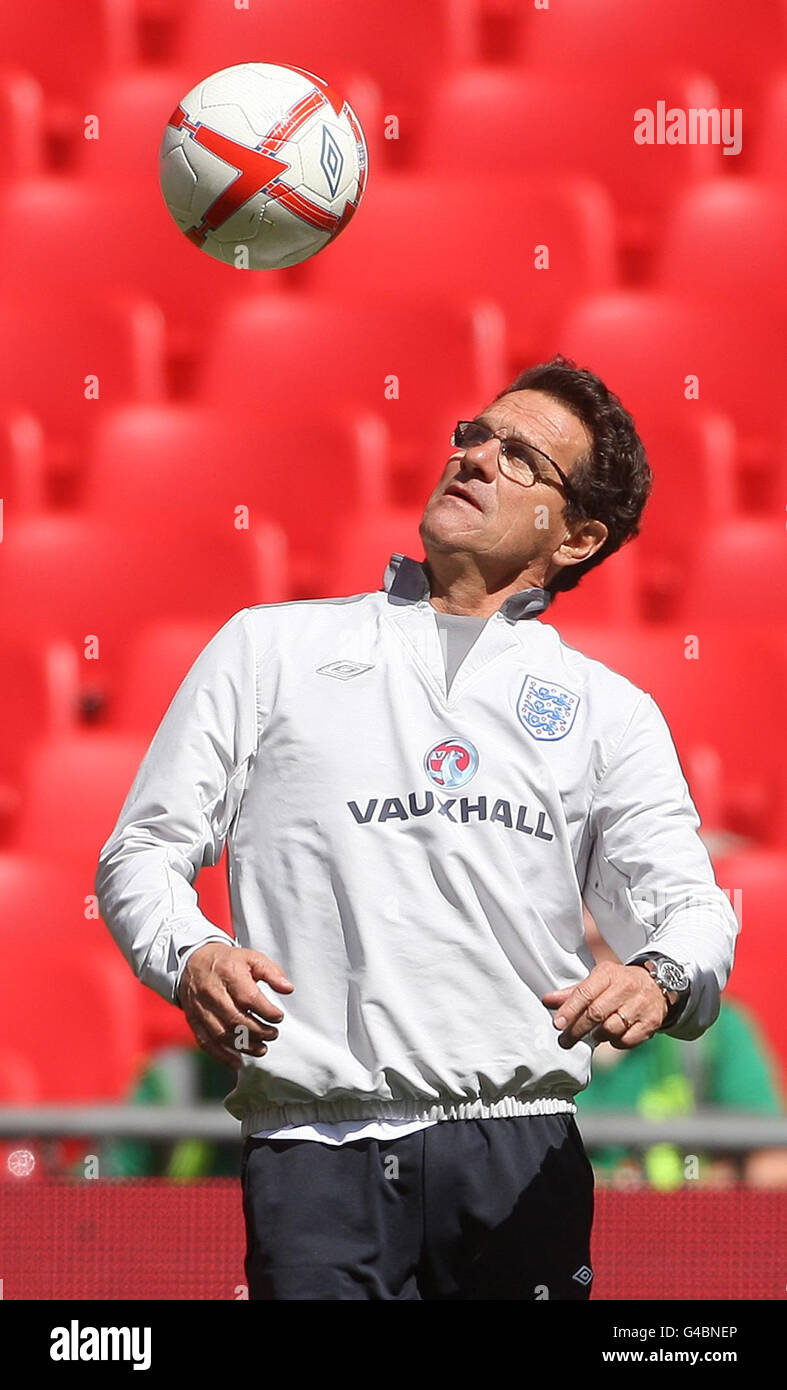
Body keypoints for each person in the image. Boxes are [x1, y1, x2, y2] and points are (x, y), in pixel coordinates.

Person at [96, 355, 739, 1300]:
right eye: (475, 435)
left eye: (521, 458)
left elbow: (691, 910)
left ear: (577, 537)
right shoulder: (268, 648)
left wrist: (662, 978)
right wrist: (188, 951)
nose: (477, 457)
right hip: (316, 1150)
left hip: (519, 1151)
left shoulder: (611, 711)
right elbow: (141, 852)